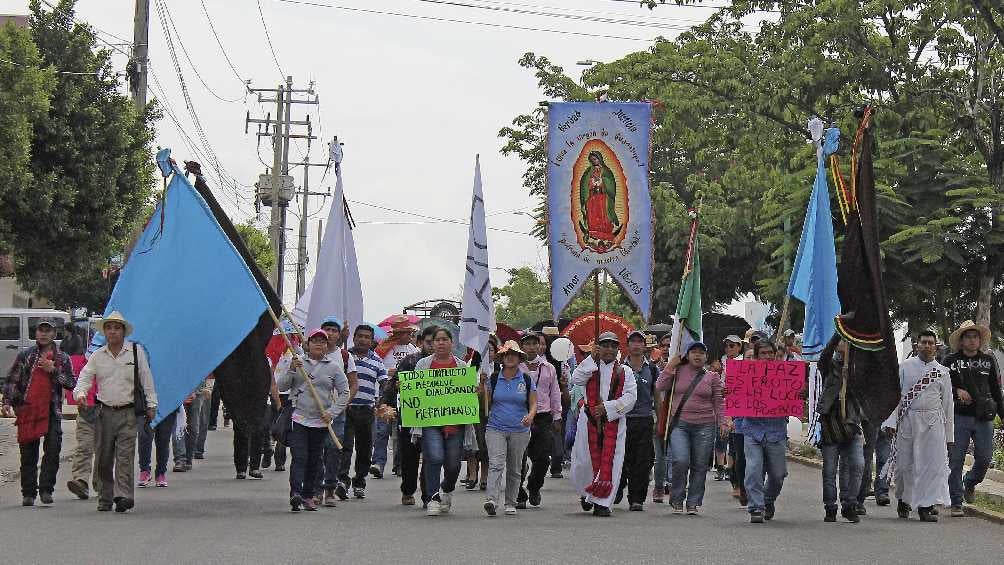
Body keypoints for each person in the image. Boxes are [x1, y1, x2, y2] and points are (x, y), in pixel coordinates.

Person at [73, 312, 157, 513]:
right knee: (103, 458)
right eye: (109, 327)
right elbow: (85, 378)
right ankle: (105, 497)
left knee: (125, 456)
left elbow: (147, 379)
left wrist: (152, 405)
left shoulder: (136, 353)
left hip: (127, 412)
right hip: (104, 412)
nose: (112, 331)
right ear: (105, 331)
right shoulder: (97, 355)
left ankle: (123, 496)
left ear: (123, 331)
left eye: (116, 328)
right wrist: (81, 393)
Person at [882, 330, 954, 522]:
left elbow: (947, 405)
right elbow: (894, 396)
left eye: (931, 343)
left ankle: (925, 507)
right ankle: (904, 502)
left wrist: (949, 436)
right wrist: (890, 422)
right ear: (917, 345)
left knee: (931, 466)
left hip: (933, 423)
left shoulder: (942, 372)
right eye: (923, 342)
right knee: (905, 465)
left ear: (936, 347)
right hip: (908, 421)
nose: (927, 346)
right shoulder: (904, 367)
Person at [3, 318, 75, 506]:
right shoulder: (26, 356)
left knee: (52, 449)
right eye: (40, 330)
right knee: (28, 453)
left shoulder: (63, 358)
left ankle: (46, 490)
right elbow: (12, 380)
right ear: (36, 334)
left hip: (52, 410)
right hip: (28, 409)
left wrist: (53, 371)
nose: (43, 334)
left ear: (54, 334)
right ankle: (28, 493)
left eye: (48, 330)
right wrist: (7, 402)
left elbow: (71, 383)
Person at [277, 328, 349, 512]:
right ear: (307, 344)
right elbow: (282, 386)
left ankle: (309, 495)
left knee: (314, 460)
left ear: (327, 346)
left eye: (322, 341)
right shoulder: (298, 362)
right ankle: (296, 493)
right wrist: (292, 370)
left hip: (320, 421)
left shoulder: (333, 367)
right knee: (299, 457)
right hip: (299, 418)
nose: (318, 344)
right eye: (315, 341)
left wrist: (332, 412)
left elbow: (344, 392)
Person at [570, 332, 638, 517]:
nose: (609, 349)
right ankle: (587, 493)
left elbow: (631, 398)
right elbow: (576, 379)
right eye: (605, 345)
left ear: (618, 349)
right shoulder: (590, 366)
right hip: (588, 421)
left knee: (612, 461)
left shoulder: (625, 371)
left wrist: (608, 408)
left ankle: (603, 502)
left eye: (613, 345)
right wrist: (591, 358)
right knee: (584, 461)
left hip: (614, 423)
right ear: (598, 347)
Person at [657, 342, 727, 515]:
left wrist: (723, 422)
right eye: (694, 352)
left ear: (706, 357)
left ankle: (693, 502)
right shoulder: (678, 371)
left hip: (705, 426)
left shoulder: (712, 377)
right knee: (680, 461)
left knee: (700, 465)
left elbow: (718, 402)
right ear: (687, 355)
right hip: (680, 425)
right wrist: (670, 366)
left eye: (701, 353)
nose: (697, 355)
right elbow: (659, 386)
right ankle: (677, 498)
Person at [944, 320, 1002, 516]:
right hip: (959, 416)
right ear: (961, 340)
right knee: (956, 460)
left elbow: (995, 390)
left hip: (984, 417)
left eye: (974, 336)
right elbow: (939, 387)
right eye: (967, 337)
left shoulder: (988, 360)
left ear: (979, 340)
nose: (971, 340)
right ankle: (956, 501)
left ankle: (970, 482)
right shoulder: (949, 360)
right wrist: (956, 390)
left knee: (985, 458)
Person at [414, 328, 469, 516]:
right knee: (434, 457)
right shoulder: (422, 364)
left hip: (455, 422)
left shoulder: (462, 367)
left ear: (451, 343)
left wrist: (475, 392)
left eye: (445, 339)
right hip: (431, 421)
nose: (441, 343)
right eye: (437, 340)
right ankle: (433, 497)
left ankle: (447, 488)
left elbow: (468, 394)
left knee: (453, 464)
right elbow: (416, 392)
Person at [383, 325, 437, 506]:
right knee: (409, 457)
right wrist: (386, 404)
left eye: (436, 341)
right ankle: (408, 490)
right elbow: (392, 384)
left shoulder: (446, 363)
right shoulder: (410, 361)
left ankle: (428, 494)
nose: (433, 346)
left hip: (435, 418)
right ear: (421, 342)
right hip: (410, 416)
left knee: (431, 456)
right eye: (429, 342)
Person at [735, 340, 787, 523]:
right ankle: (756, 508)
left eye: (769, 353)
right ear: (756, 357)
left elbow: (792, 400)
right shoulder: (744, 376)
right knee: (753, 469)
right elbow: (736, 400)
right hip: (752, 431)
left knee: (779, 474)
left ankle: (768, 500)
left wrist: (798, 395)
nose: (767, 356)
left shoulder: (786, 376)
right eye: (763, 353)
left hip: (776, 432)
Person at [483, 341, 537, 516]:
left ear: (519, 358)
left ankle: (510, 501)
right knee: (496, 464)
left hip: (519, 429)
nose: (510, 357)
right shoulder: (493, 378)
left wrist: (530, 416)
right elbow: (486, 401)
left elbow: (534, 402)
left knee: (514, 467)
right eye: (506, 354)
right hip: (495, 427)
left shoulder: (526, 379)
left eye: (513, 354)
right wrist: (482, 387)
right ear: (502, 358)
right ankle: (491, 499)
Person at [816, 337, 866, 523]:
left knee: (857, 465)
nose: (845, 345)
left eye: (848, 342)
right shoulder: (829, 365)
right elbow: (824, 357)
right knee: (830, 469)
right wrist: (840, 332)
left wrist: (851, 376)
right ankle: (830, 506)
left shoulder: (858, 368)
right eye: (843, 341)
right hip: (831, 422)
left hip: (851, 423)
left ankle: (850, 504)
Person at [338, 324, 387, 500]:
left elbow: (384, 383)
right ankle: (342, 481)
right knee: (345, 447)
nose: (363, 339)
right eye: (360, 336)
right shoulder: (344, 357)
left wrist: (384, 401)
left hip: (367, 410)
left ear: (372, 341)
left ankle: (359, 482)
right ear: (353, 337)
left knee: (365, 449)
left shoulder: (377, 361)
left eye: (367, 337)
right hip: (346, 409)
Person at [515, 332, 562, 509]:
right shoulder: (516, 366)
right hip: (520, 415)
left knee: (542, 458)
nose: (531, 347)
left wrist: (557, 417)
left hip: (543, 415)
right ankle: (518, 493)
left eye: (535, 343)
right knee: (518, 457)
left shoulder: (548, 367)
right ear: (522, 346)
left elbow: (555, 393)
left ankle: (534, 486)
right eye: (527, 343)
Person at [613, 331, 657, 511]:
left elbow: (658, 396)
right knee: (620, 458)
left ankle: (637, 498)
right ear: (628, 345)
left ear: (644, 346)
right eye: (633, 341)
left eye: (640, 341)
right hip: (622, 419)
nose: (637, 345)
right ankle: (616, 490)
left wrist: (660, 422)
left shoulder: (653, 369)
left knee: (642, 461)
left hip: (645, 419)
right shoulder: (619, 368)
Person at [318, 316, 356, 504]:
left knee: (334, 448)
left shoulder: (345, 356)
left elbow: (353, 384)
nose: (330, 333)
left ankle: (330, 488)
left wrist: (344, 403)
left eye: (334, 330)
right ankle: (315, 488)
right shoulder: (310, 353)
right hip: (314, 411)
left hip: (337, 412)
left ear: (339, 334)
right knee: (316, 449)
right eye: (327, 330)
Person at [722, 334, 747, 503]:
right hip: (731, 413)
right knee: (734, 451)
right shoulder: (722, 364)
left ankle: (743, 484)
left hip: (746, 415)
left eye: (733, 345)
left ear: (739, 347)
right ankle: (736, 482)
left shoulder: (742, 365)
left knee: (741, 454)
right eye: (727, 345)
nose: (729, 348)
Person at [138, 406, 178, 488]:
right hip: (146, 405)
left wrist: (189, 393)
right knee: (144, 438)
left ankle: (161, 473)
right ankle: (144, 470)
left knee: (163, 440)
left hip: (168, 404)